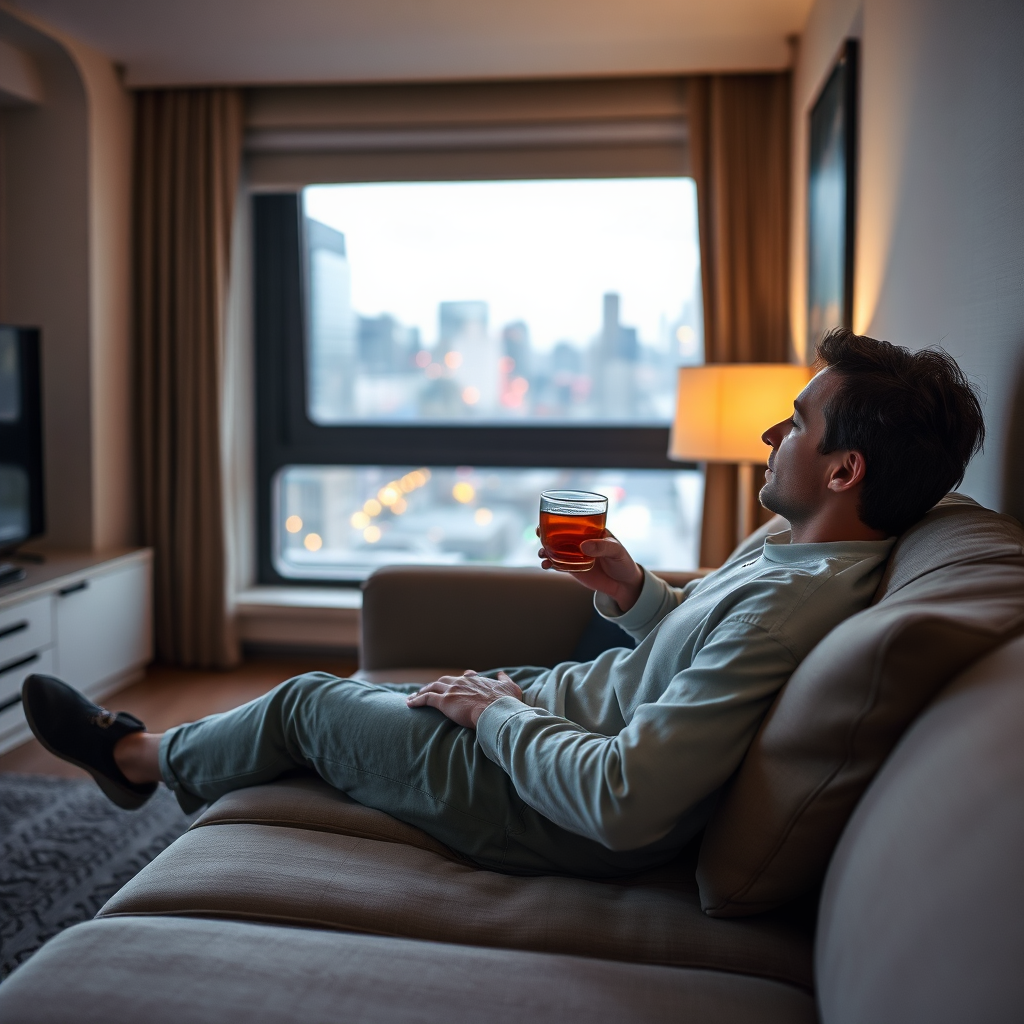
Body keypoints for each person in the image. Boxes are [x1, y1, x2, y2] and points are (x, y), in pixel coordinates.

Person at [22, 329, 985, 877]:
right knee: (354, 710)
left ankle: (133, 758)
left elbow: (625, 802)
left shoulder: (791, 606)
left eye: (798, 422)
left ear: (845, 469)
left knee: (305, 702)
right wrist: (634, 593)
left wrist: (496, 717)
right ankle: (209, 758)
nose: (773, 433)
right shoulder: (804, 554)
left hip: (543, 805)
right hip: (548, 721)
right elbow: (696, 655)